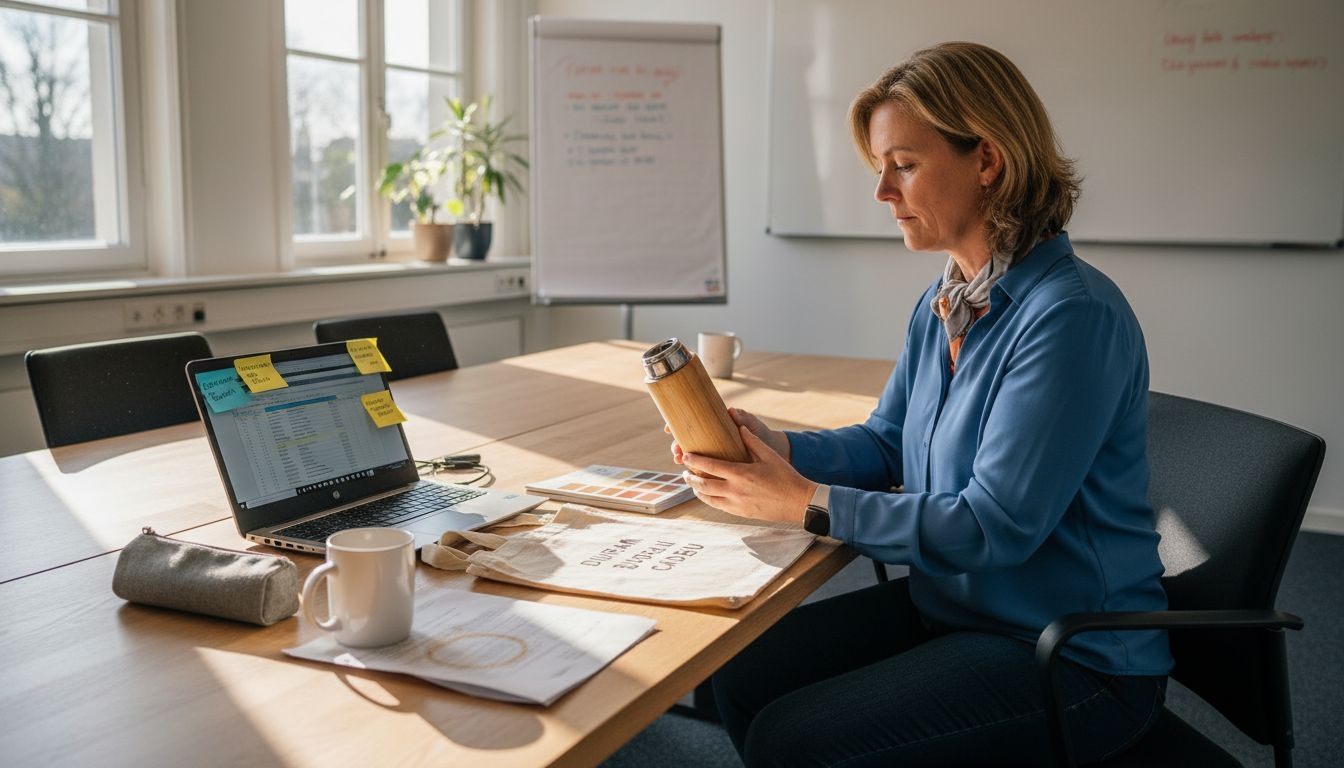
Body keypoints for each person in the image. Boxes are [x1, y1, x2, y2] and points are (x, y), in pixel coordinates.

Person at [672, 42, 1171, 766]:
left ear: (988, 161)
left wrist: (804, 502)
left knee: (794, 739)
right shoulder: (946, 300)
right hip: (961, 611)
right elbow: (887, 442)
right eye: (880, 167)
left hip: (1071, 656)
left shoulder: (1071, 317)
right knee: (741, 672)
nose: (882, 192)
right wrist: (779, 449)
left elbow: (994, 527)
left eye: (903, 165)